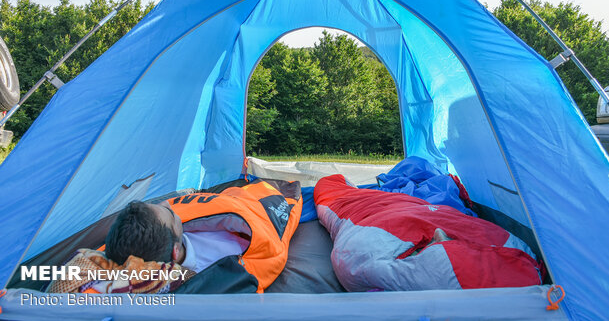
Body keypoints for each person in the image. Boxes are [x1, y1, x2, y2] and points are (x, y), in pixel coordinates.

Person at [314, 174, 541, 292]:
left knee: (329, 187)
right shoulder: (520, 254)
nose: (440, 234)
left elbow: (356, 265)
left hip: (370, 213)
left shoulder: (362, 256)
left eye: (441, 242)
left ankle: (351, 188)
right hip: (407, 207)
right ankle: (352, 188)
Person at [105, 178, 302, 293]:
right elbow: (264, 244)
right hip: (257, 211)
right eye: (170, 214)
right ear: (175, 251)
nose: (168, 204)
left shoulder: (158, 243)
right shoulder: (226, 257)